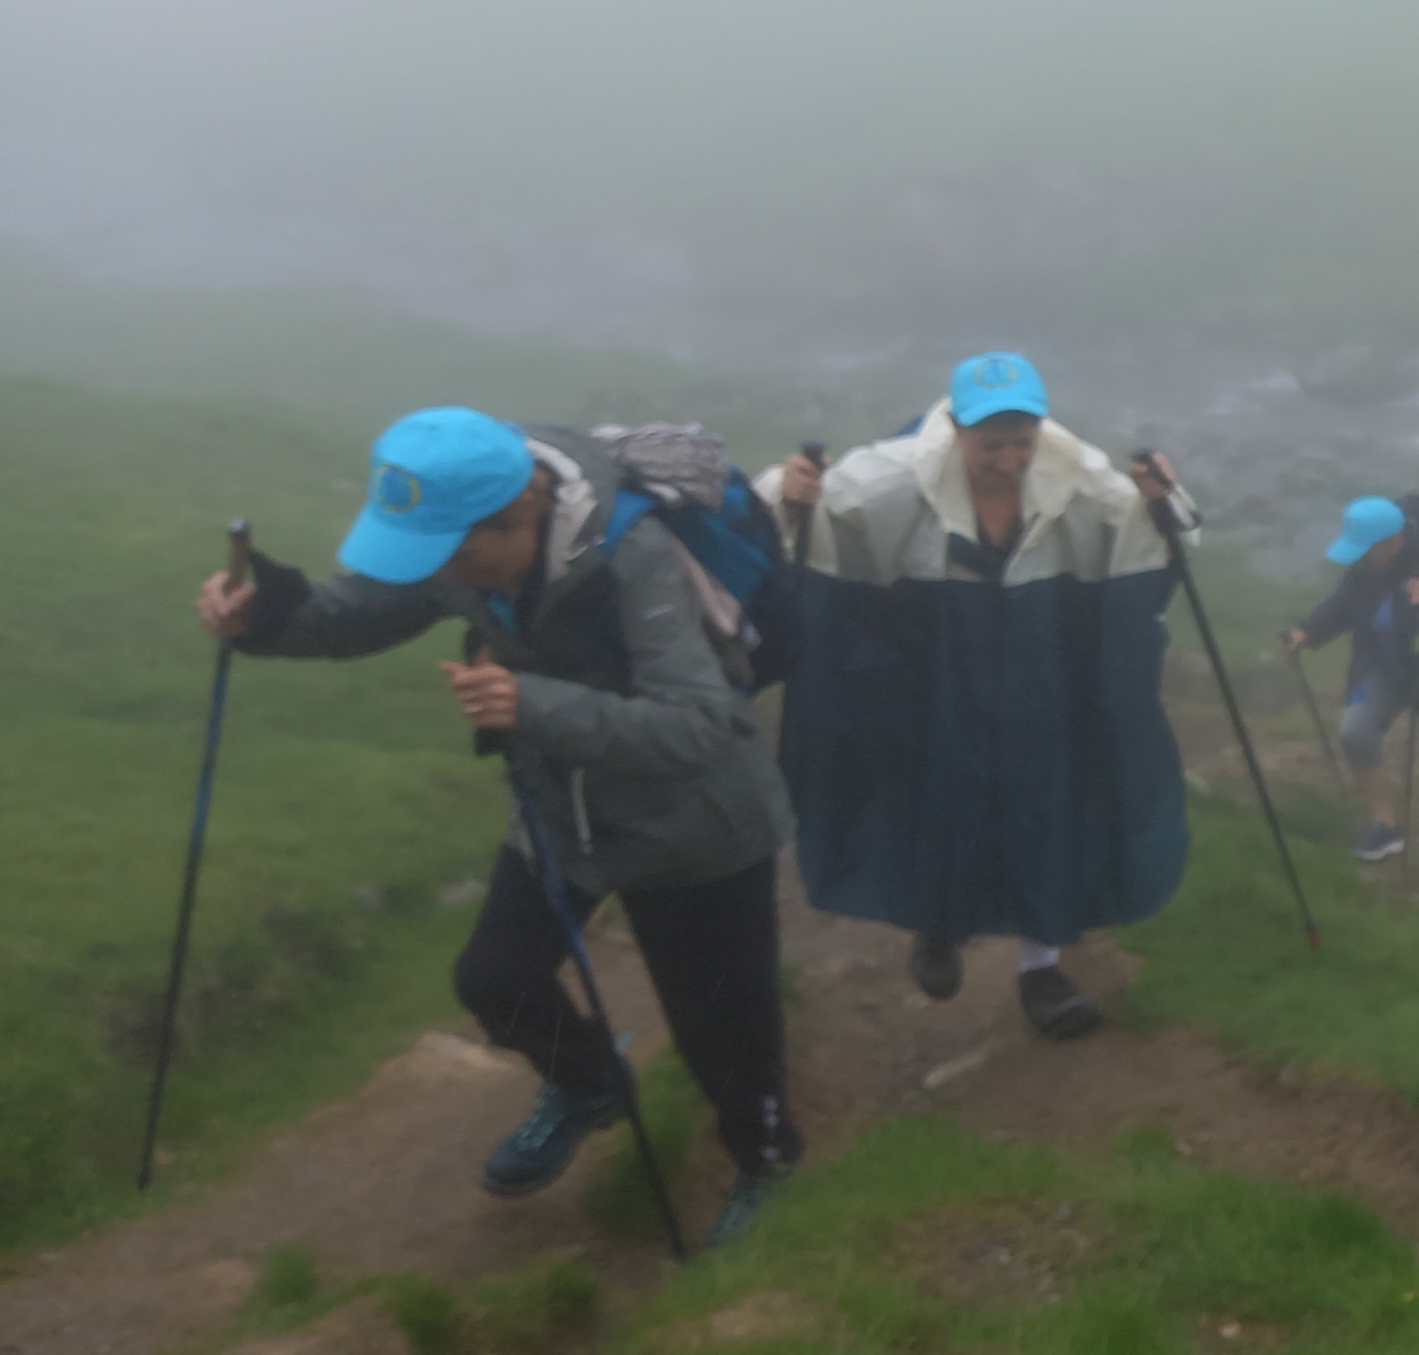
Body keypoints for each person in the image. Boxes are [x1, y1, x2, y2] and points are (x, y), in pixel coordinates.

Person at [193, 406, 801, 1241]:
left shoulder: (632, 555)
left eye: (456, 555)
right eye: (427, 555)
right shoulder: (461, 544)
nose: (442, 575)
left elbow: (700, 727)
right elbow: (357, 611)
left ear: (524, 513)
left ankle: (767, 1162)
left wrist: (531, 705)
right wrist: (261, 615)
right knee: (495, 977)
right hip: (564, 809)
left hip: (698, 825)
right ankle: (590, 1085)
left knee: (723, 1030)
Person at [773, 352, 1193, 1044]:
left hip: (1043, 677)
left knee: (1046, 809)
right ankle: (938, 926)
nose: (1008, 460)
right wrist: (791, 497)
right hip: (935, 675)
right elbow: (808, 522)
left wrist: (1164, 502)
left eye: (1021, 442)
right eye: (989, 445)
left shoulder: (1086, 482)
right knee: (942, 798)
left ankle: (1041, 969)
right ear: (956, 429)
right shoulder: (889, 480)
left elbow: (1159, 539)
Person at [1280, 494, 1419, 863]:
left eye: (1366, 551)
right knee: (1355, 733)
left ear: (1392, 541)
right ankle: (1384, 827)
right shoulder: (1370, 562)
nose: (1360, 560)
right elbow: (1346, 600)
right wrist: (1307, 632)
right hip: (1385, 663)